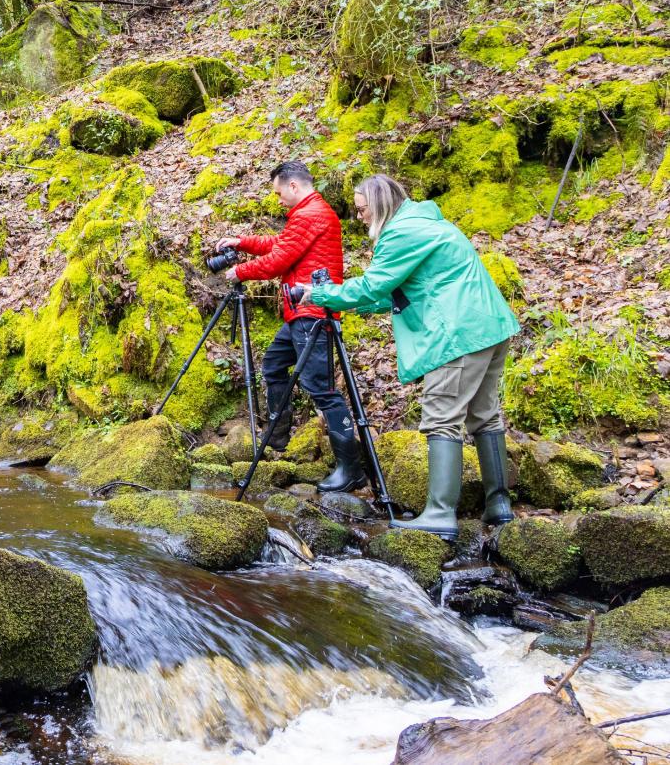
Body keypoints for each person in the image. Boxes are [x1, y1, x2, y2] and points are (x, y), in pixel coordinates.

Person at [294, 174, 519, 539]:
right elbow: (407, 287)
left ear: (379, 204)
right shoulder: (425, 223)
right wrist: (358, 302)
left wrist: (321, 295)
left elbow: (375, 284)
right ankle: (498, 506)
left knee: (442, 416)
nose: (360, 217)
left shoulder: (400, 233)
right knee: (484, 415)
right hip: (487, 326)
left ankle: (440, 514)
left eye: (362, 209)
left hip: (456, 333)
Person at [214, 160, 364, 492]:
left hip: (313, 314)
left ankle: (350, 468)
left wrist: (240, 272)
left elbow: (277, 262)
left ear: (294, 186)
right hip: (300, 314)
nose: (279, 200)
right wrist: (241, 242)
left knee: (321, 389)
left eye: (280, 193)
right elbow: (280, 244)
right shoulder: (308, 215)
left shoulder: (312, 214)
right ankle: (279, 439)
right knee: (274, 364)